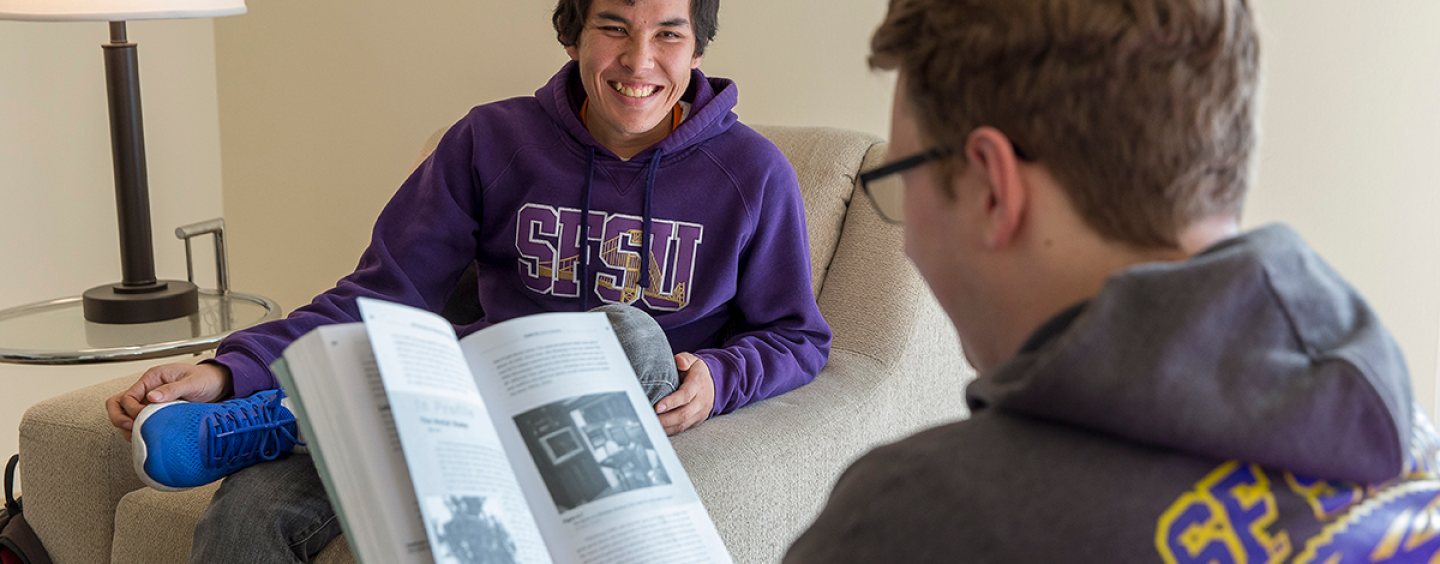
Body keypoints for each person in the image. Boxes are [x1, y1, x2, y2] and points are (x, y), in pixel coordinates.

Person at [105, 0, 831, 560]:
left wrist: (717, 375)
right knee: (245, 513)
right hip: (456, 403)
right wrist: (228, 371)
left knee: (631, 332)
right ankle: (288, 414)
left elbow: (799, 336)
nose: (640, 59)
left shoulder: (752, 173)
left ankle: (307, 417)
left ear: (697, 46)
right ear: (572, 34)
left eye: (668, 33)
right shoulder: (490, 140)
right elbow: (377, 296)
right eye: (613, 27)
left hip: (599, 412)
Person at [785, 0, 1440, 562]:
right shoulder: (1404, 435)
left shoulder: (913, 525)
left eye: (905, 178)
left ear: (991, 187)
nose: (908, 239)